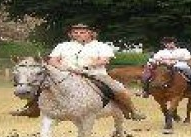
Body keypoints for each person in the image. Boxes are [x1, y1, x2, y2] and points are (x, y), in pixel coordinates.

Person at [13, 23, 146, 120]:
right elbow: (53, 60)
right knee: (42, 84)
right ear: (71, 34)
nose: (78, 34)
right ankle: (32, 108)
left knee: (116, 88)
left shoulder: (100, 46)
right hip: (65, 73)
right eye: (75, 32)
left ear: (90, 34)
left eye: (82, 32)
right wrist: (63, 68)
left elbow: (104, 60)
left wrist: (86, 66)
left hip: (94, 74)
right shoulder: (63, 46)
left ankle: (133, 110)